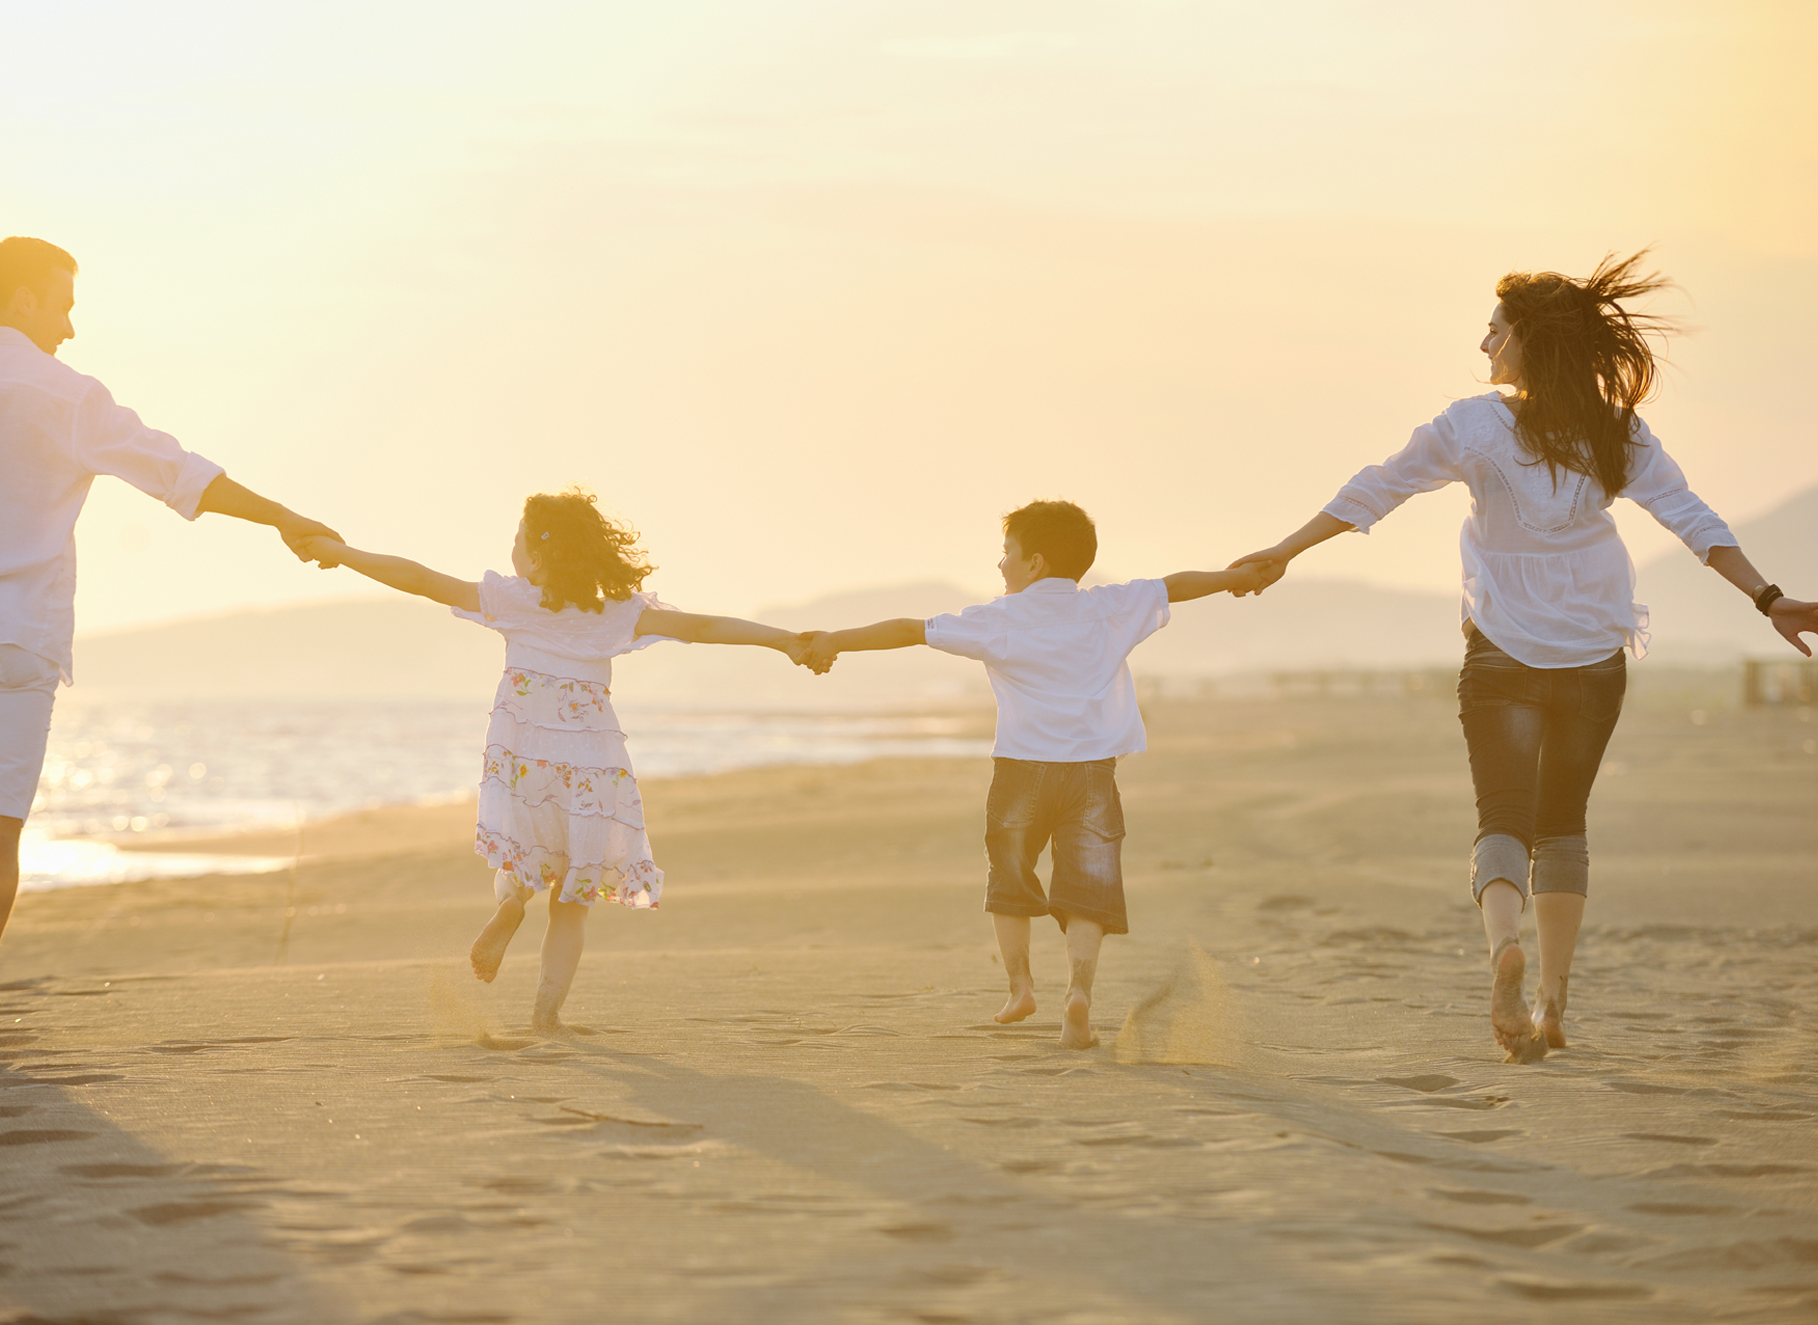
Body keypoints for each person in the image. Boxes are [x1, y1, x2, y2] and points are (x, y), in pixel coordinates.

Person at [1229, 252, 1818, 1063]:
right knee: (1563, 822)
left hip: (1503, 648)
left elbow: (1379, 487)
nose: (1483, 345)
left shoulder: (1470, 427)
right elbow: (1691, 515)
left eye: (1495, 331)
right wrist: (1768, 597)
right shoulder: (1619, 432)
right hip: (1592, 655)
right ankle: (1551, 997)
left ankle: (1502, 943)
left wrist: (1287, 548)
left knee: (1502, 817)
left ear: (1527, 344)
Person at [0, 236, 341, 1053]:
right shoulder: (66, 395)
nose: (69, 325)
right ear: (23, 298)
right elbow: (180, 472)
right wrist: (285, 518)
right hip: (14, 632)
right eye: (63, 302)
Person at [295, 490, 811, 1033]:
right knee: (572, 900)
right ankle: (546, 1014)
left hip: (523, 759)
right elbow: (706, 628)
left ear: (538, 557)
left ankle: (512, 902)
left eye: (517, 541)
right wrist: (786, 641)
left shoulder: (512, 601)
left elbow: (421, 579)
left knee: (519, 861)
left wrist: (342, 552)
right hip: (592, 763)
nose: (511, 550)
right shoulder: (618, 613)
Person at [800, 500, 1264, 1049]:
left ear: (1035, 562)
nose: (1000, 566)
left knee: (1012, 878)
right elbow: (1176, 585)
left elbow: (909, 629)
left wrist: (832, 640)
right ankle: (1079, 994)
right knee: (1088, 888)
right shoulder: (1112, 607)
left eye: (1006, 554)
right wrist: (1237, 576)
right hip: (1091, 774)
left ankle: (1020, 987)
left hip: (1022, 771)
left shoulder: (999, 618)